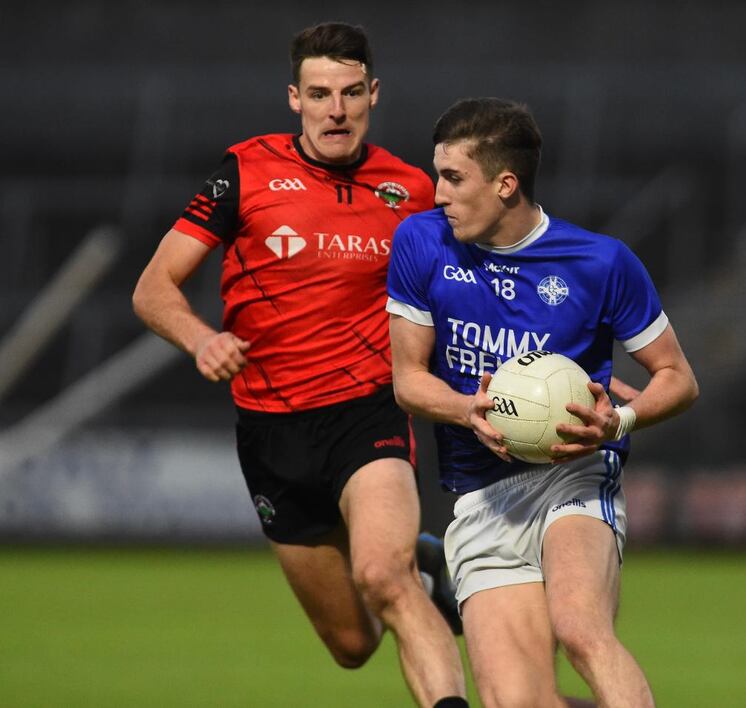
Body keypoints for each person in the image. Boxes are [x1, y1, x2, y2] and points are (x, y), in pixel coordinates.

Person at [132, 22, 469, 708]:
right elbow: (152, 289)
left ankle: (415, 583)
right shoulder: (243, 171)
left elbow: (464, 293)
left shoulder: (411, 192)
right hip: (271, 433)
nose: (335, 110)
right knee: (352, 645)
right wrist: (201, 340)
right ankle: (432, 569)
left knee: (383, 577)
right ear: (295, 98)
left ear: (373, 94)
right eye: (320, 94)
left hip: (368, 413)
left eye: (350, 93)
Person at [387, 97, 699, 708]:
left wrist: (619, 421)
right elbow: (407, 380)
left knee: (581, 630)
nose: (438, 193)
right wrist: (463, 410)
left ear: (506, 184)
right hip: (482, 496)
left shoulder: (600, 262)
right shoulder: (421, 242)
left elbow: (678, 378)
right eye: (436, 175)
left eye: (453, 178)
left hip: (573, 473)